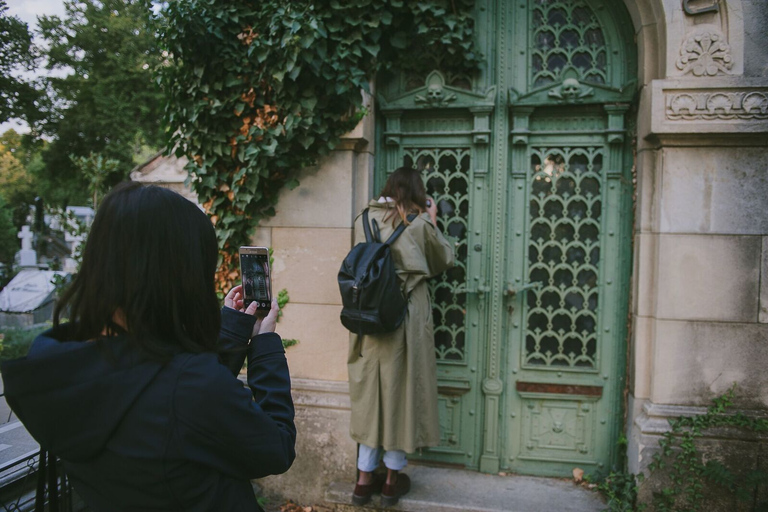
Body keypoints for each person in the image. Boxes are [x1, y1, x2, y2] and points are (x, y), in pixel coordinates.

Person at [1, 182, 295, 512]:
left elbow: (157, 395)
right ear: (178, 276)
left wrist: (233, 330)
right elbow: (276, 447)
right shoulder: (188, 386)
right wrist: (266, 345)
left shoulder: (57, 366)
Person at [347, 167, 454, 507]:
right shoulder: (420, 224)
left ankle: (364, 481)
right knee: (402, 396)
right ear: (418, 192)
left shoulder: (363, 219)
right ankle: (391, 480)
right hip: (406, 318)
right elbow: (444, 259)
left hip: (369, 317)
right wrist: (433, 219)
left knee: (371, 397)